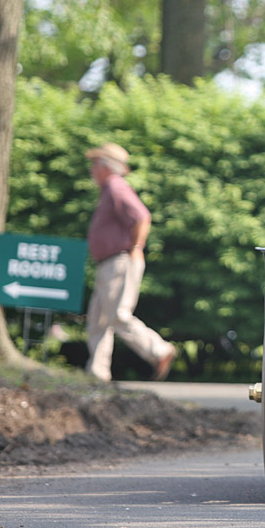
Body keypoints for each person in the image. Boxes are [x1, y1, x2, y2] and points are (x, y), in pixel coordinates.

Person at [84, 143, 176, 381]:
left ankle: (159, 350)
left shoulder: (116, 186)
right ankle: (97, 373)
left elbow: (141, 216)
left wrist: (136, 247)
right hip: (109, 263)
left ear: (106, 167)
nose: (92, 169)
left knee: (117, 315)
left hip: (119, 261)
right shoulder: (109, 189)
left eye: (95, 164)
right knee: (98, 319)